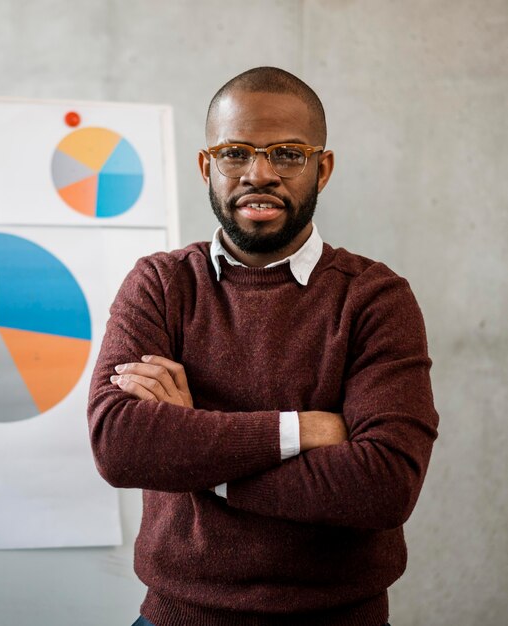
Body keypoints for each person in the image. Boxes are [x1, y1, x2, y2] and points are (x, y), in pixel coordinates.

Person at [87, 66, 439, 626]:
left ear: (321, 169)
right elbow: (120, 443)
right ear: (207, 166)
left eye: (287, 154)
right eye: (235, 153)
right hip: (178, 615)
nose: (260, 173)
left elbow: (384, 486)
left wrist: (194, 449)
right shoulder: (159, 284)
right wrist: (302, 430)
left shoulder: (376, 299)